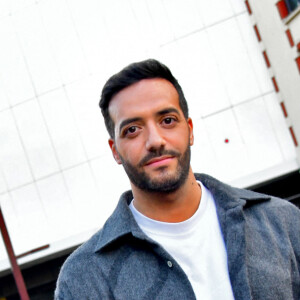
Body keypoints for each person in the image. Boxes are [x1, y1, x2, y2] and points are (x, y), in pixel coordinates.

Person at [55, 59, 300, 300]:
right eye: (132, 130)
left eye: (167, 121)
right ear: (115, 150)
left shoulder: (281, 222)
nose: (155, 141)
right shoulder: (84, 279)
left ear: (190, 130)